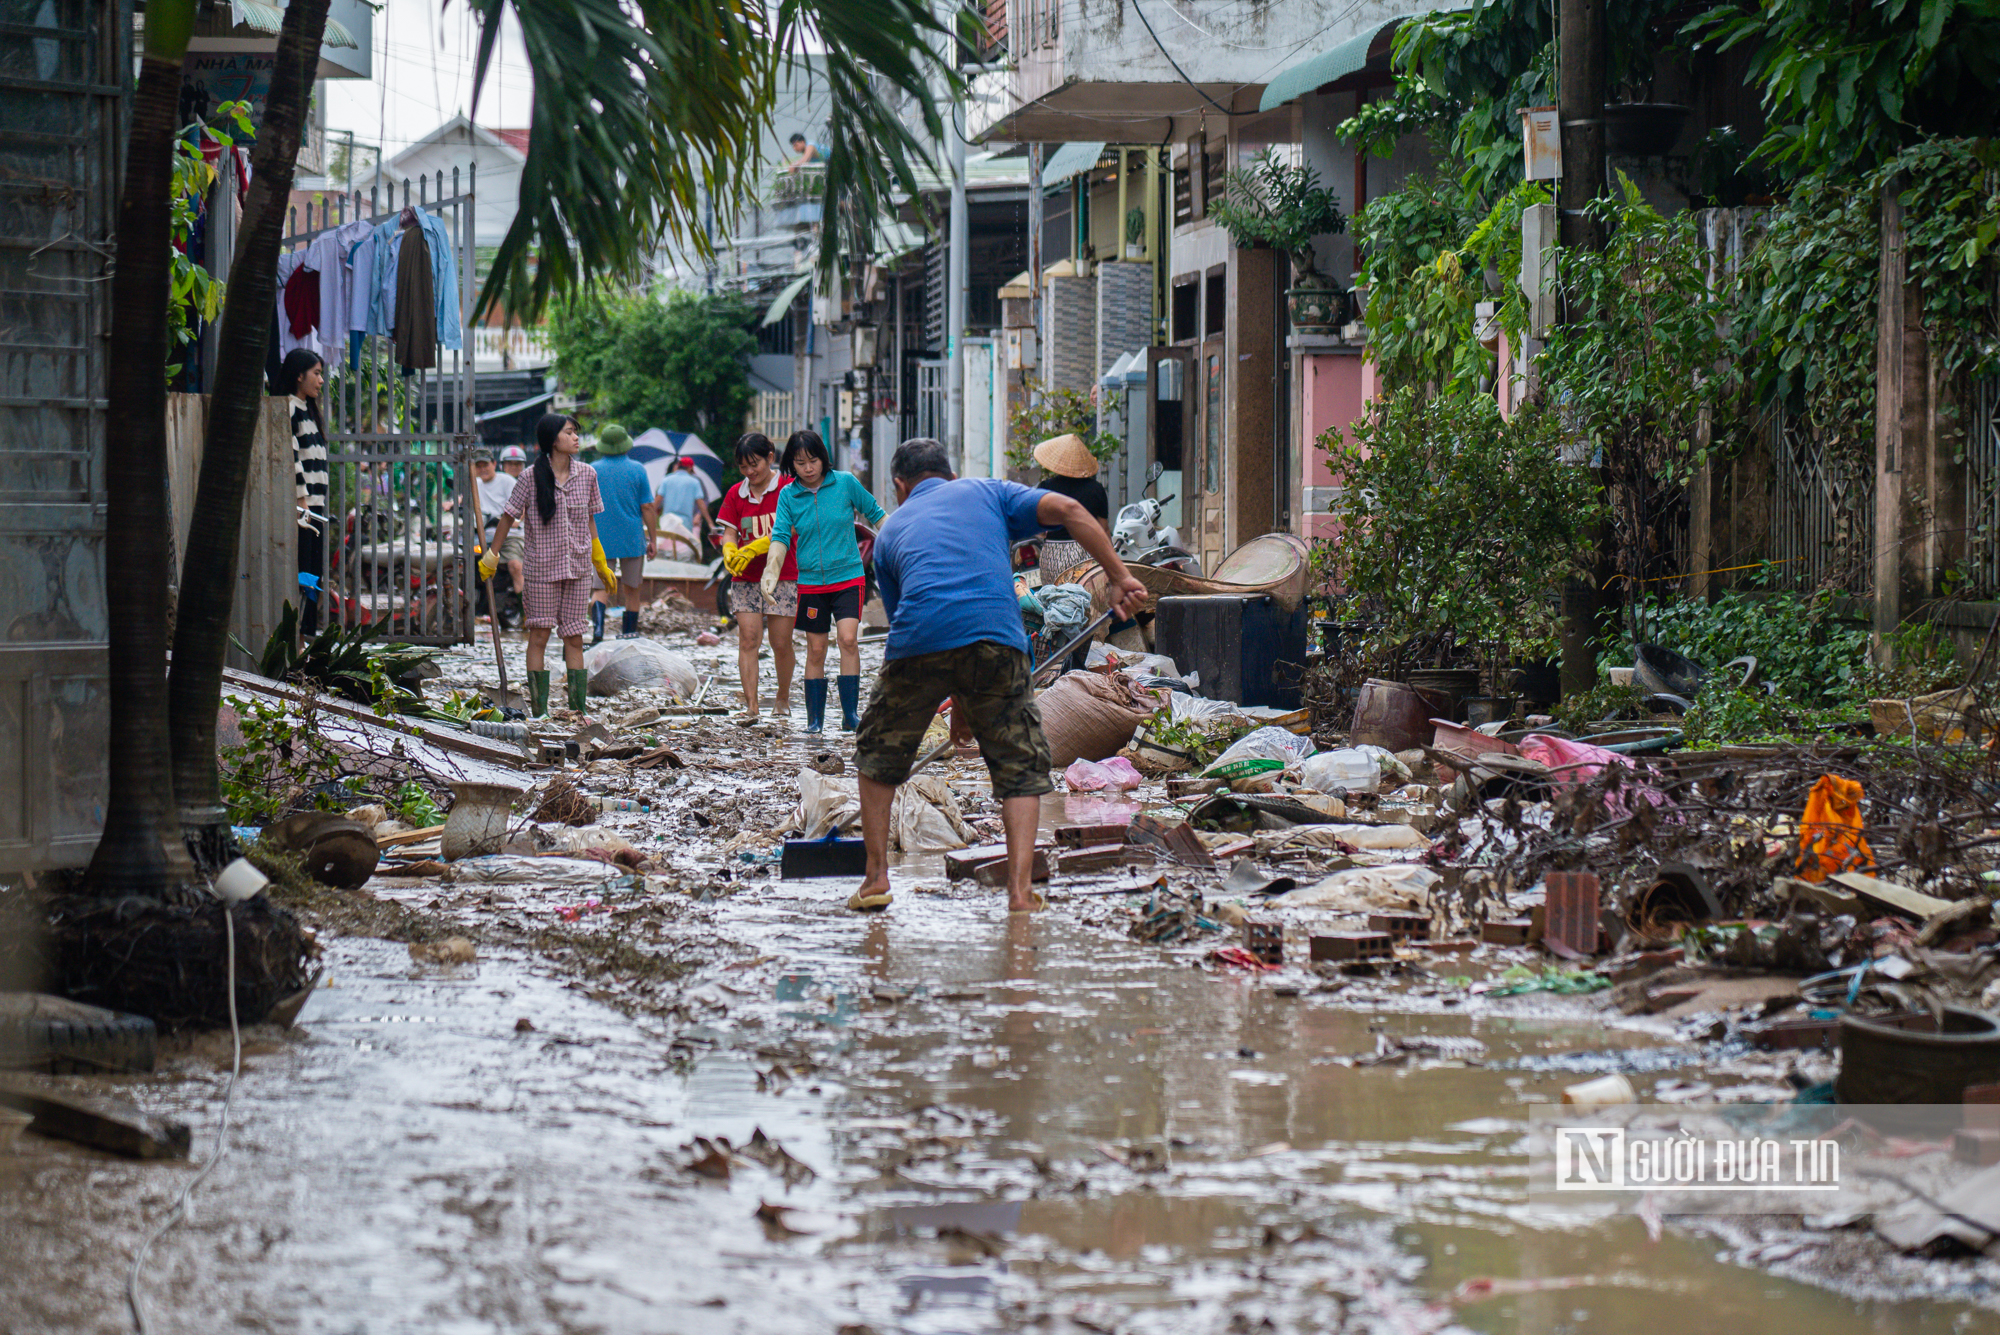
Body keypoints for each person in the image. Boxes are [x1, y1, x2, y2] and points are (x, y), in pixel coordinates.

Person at [851, 438, 1145, 913]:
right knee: (1020, 767)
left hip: (917, 643)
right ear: (950, 473)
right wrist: (1117, 576)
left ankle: (875, 879)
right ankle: (1021, 891)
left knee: (877, 755)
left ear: (899, 487)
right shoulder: (988, 492)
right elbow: (1070, 508)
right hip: (996, 638)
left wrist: (960, 709)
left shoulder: (891, 531)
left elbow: (925, 614)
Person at [480, 414, 617, 716]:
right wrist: (492, 554)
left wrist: (599, 558)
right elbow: (507, 516)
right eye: (570, 433)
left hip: (578, 567)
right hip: (541, 569)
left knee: (574, 636)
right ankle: (540, 711)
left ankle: (577, 710)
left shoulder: (588, 475)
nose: (576, 438)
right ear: (554, 440)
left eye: (575, 433)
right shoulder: (530, 477)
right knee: (539, 634)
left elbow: (591, 519)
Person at [763, 428, 885, 734]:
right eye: (800, 462)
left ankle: (850, 715)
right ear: (791, 464)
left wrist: (900, 547)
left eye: (813, 460)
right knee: (816, 649)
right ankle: (814, 720)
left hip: (848, 577)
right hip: (811, 583)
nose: (808, 468)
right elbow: (780, 535)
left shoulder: (844, 483)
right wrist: (771, 572)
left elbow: (877, 514)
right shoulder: (789, 495)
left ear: (823, 458)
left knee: (847, 639)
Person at [716, 432, 798, 723]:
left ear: (770, 458)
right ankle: (751, 705)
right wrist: (730, 549)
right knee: (748, 639)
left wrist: (757, 546)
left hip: (783, 576)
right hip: (745, 578)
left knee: (780, 643)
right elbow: (729, 530)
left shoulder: (788, 489)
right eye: (743, 467)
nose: (750, 472)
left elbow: (791, 530)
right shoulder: (736, 494)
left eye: (755, 464)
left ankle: (782, 697)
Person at [275, 349, 330, 633]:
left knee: (313, 574)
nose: (321, 380)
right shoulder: (289, 408)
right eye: (316, 373)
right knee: (304, 573)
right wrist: (303, 504)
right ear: (299, 375)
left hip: (316, 508)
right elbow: (293, 459)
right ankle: (300, 636)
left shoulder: (309, 410)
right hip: (304, 508)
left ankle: (307, 634)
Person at [586, 423, 655, 643]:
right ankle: (629, 636)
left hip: (599, 538)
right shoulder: (638, 470)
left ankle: (598, 631)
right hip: (631, 539)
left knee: (600, 587)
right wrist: (653, 537)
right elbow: (647, 507)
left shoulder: (592, 470)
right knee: (632, 589)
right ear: (626, 444)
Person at [1031, 432, 1110, 584]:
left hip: (1053, 555)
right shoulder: (1096, 489)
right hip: (1087, 552)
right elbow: (1104, 530)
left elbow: (1039, 530)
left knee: (1054, 601)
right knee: (1087, 601)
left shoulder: (1046, 487)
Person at [649, 457, 710, 560]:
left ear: (678, 466)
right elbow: (701, 502)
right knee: (684, 552)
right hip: (686, 525)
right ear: (690, 468)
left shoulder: (666, 479)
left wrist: (648, 515)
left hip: (668, 524)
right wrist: (710, 522)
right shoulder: (694, 481)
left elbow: (657, 501)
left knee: (667, 552)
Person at [497, 445, 528, 592]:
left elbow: (522, 509)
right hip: (493, 531)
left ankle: (524, 611)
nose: (514, 467)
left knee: (516, 566)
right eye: (510, 463)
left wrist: (517, 520)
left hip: (517, 534)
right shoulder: (495, 481)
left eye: (517, 464)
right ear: (502, 465)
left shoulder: (529, 483)